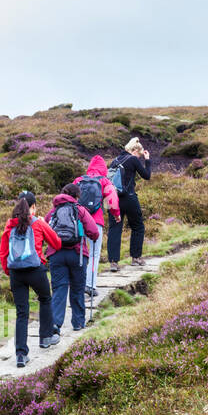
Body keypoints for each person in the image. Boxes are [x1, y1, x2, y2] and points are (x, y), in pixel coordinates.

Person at [0, 192, 61, 367]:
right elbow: (57, 242)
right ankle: (46, 337)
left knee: (21, 312)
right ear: (32, 207)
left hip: (16, 273)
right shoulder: (38, 223)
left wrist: (9, 271)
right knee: (45, 299)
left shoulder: (9, 226)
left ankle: (20, 354)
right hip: (35, 270)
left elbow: (3, 253)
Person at [45, 183, 100, 335]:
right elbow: (94, 232)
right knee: (77, 287)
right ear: (76, 196)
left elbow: (44, 229)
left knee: (59, 289)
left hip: (56, 254)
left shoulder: (53, 212)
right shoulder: (80, 210)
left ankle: (55, 323)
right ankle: (78, 323)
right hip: (78, 254)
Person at [73, 155, 119, 291]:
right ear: (103, 168)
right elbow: (112, 200)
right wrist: (116, 215)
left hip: (79, 222)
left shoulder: (79, 180)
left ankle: (78, 285)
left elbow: (69, 198)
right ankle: (90, 285)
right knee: (94, 253)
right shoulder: (104, 181)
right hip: (96, 223)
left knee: (80, 252)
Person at [107, 138, 151, 269]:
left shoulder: (114, 161)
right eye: (140, 154)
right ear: (134, 150)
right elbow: (147, 176)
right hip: (129, 197)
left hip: (113, 199)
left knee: (114, 229)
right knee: (138, 227)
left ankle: (113, 262)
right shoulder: (133, 159)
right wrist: (147, 160)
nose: (139, 156)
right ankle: (135, 258)